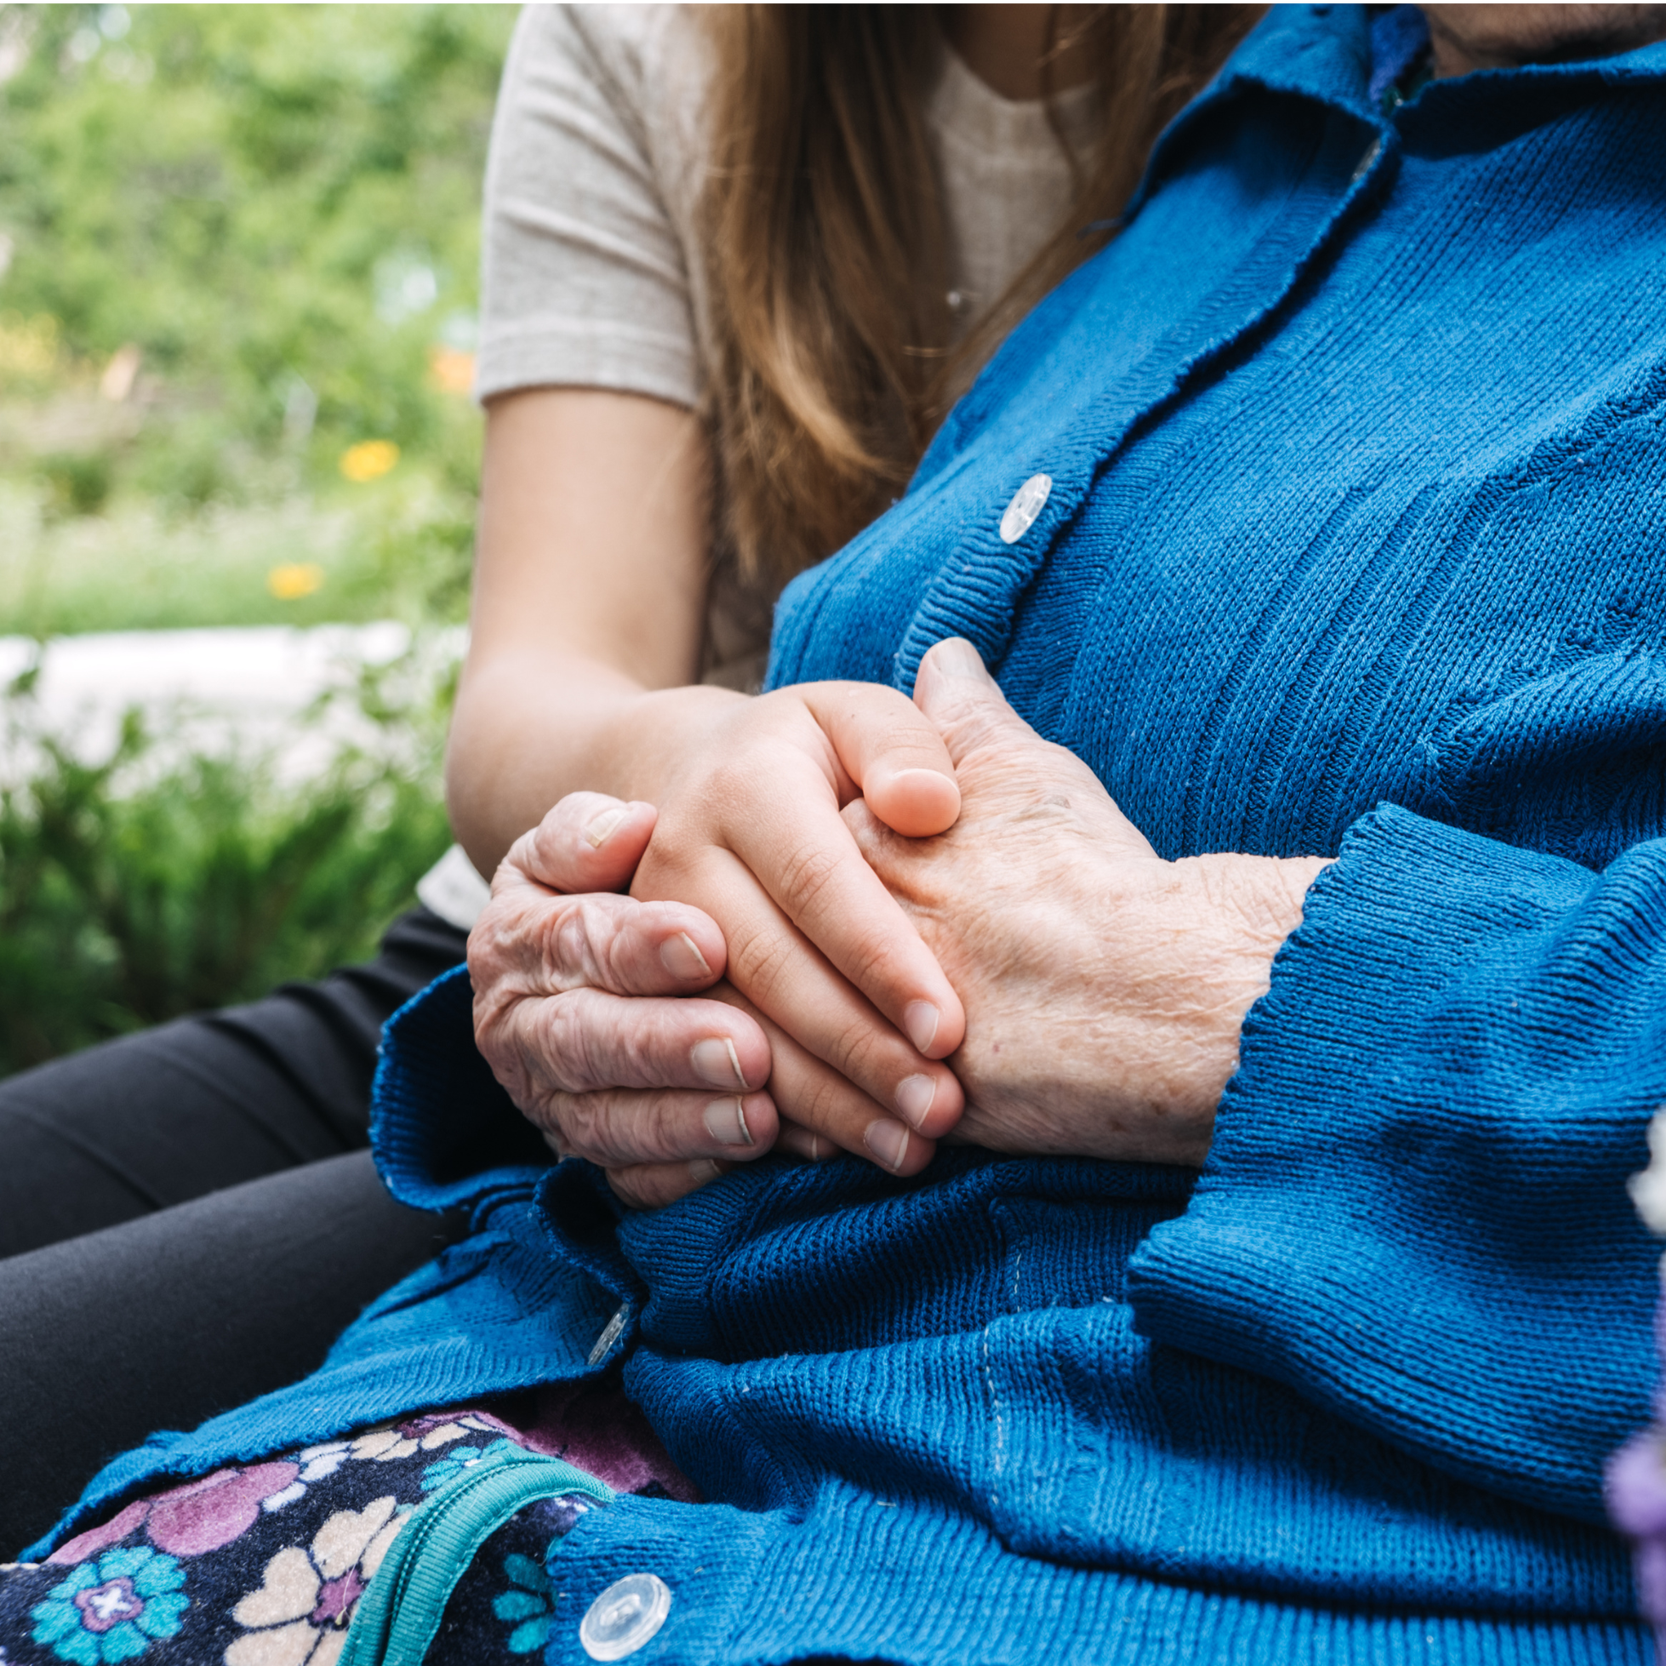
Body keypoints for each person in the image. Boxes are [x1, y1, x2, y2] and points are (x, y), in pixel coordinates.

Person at [18, 9, 1666, 1666]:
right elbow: (729, 760)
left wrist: (1199, 996)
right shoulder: (1247, 131)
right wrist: (627, 983)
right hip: (539, 1415)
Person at [0, 0, 1257, 1555]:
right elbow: (533, 690)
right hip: (546, 952)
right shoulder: (659, 43)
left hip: (769, 1088)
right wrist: (714, 762)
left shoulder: (1359, 60)